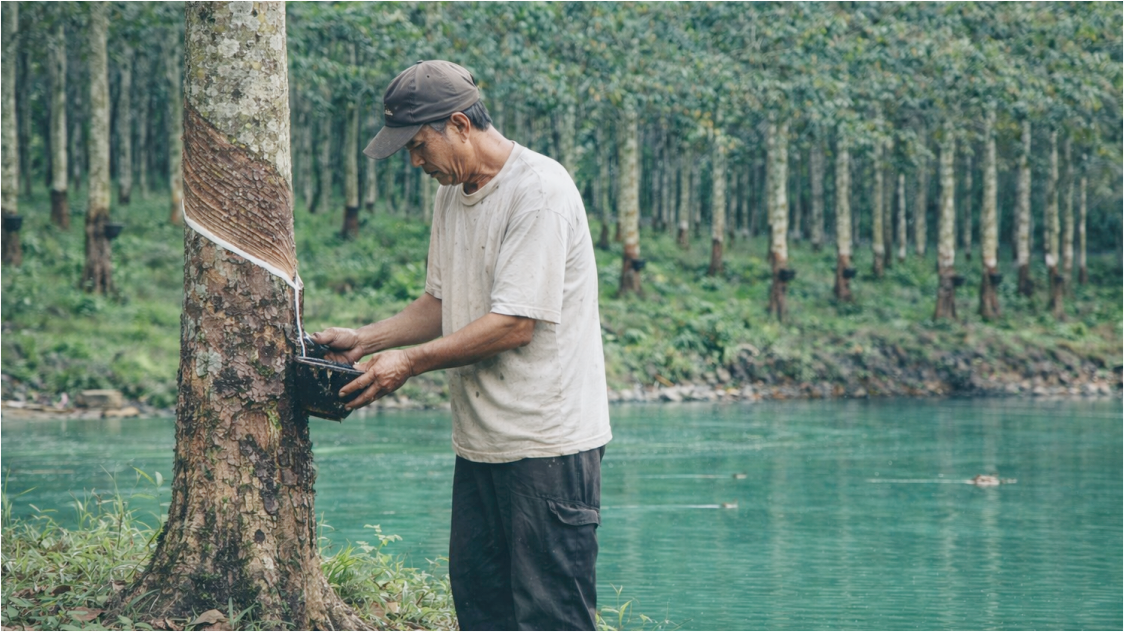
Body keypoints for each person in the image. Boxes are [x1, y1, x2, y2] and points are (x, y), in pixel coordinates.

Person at [311, 60, 611, 631]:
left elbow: (513, 324)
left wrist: (409, 362)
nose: (416, 162)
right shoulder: (453, 193)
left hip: (548, 445)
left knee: (551, 616)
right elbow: (442, 304)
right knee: (481, 608)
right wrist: (365, 340)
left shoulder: (539, 191)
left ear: (459, 124)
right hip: (480, 444)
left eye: (419, 146)